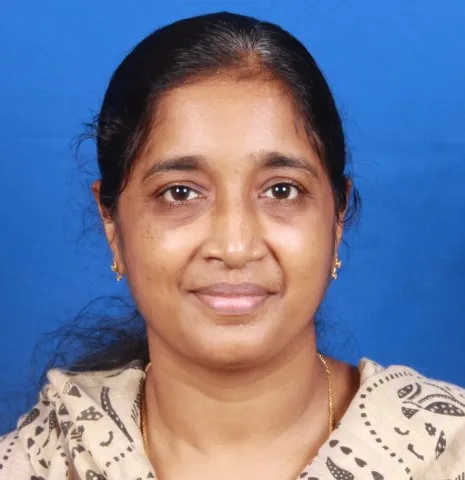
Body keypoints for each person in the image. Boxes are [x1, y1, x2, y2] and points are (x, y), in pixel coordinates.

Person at [1, 11, 464, 480]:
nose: (235, 246)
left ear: (337, 217)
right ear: (112, 224)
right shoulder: (39, 463)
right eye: (180, 193)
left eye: (281, 190)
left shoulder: (447, 452)